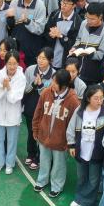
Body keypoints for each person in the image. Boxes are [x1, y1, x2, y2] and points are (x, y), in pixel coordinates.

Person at [31, 69, 79, 198]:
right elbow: (38, 112)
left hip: (60, 142)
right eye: (52, 80)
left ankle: (57, 185)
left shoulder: (73, 101)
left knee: (59, 165)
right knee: (44, 160)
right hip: (43, 137)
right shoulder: (46, 93)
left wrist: (70, 143)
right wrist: (35, 129)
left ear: (63, 85)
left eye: (55, 82)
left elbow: (74, 125)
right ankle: (42, 180)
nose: (52, 84)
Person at [67, 84, 104, 206]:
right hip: (81, 150)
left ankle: (88, 201)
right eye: (96, 98)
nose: (99, 101)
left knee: (93, 179)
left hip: (97, 152)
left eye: (102, 98)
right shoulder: (79, 110)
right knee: (81, 176)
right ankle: (79, 197)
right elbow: (71, 127)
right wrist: (71, 144)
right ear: (88, 98)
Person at [0, 51, 26, 174]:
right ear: (5, 63)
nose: (12, 66)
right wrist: (2, 87)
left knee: (12, 142)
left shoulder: (21, 78)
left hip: (13, 116)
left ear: (18, 63)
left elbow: (14, 98)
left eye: (14, 63)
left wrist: (8, 88)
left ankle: (9, 164)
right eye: (9, 63)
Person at [22, 47, 56, 170]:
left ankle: (38, 157)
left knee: (42, 133)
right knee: (31, 131)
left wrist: (40, 85)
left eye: (44, 58)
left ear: (50, 60)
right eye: (39, 58)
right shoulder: (30, 70)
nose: (40, 61)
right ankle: (31, 153)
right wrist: (33, 84)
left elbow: (50, 95)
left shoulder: (54, 75)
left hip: (45, 108)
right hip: (31, 106)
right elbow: (24, 90)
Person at [66, 3, 104, 81]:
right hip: (78, 67)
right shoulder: (84, 23)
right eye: (88, 17)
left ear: (100, 17)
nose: (89, 21)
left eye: (92, 19)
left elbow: (101, 54)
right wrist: (74, 48)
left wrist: (88, 54)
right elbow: (78, 39)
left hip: (92, 72)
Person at [9, 0, 48, 64]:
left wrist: (27, 21)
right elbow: (10, 25)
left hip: (32, 48)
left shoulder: (40, 5)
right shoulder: (14, 2)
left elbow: (40, 29)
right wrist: (9, 19)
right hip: (16, 46)